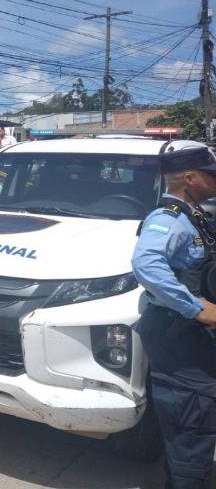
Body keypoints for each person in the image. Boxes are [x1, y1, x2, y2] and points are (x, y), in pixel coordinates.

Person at [131, 141, 216, 488]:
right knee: (191, 419)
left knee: (196, 419)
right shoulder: (168, 219)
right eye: (212, 175)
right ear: (192, 179)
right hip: (177, 334)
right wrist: (198, 309)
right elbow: (146, 264)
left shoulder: (195, 215)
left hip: (191, 336)